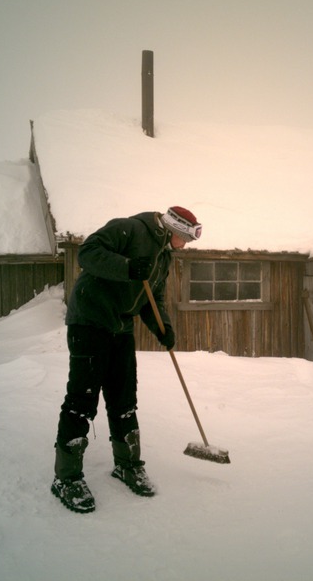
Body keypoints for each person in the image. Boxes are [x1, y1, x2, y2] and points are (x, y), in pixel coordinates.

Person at [51, 206, 202, 513]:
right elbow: (88, 254)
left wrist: (164, 329)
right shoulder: (129, 229)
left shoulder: (164, 257)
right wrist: (128, 266)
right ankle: (66, 478)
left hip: (121, 326)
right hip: (90, 321)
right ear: (172, 229)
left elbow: (152, 297)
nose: (184, 244)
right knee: (83, 400)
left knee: (124, 399)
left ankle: (128, 465)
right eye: (183, 237)